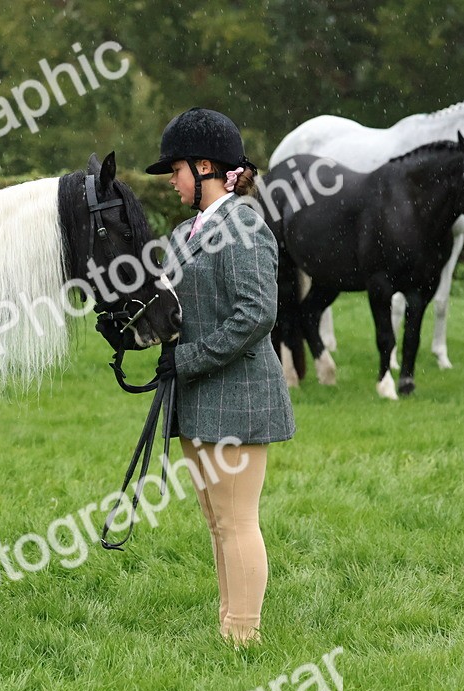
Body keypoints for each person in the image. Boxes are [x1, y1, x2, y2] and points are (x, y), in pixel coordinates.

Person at [144, 108, 296, 646]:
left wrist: (186, 360)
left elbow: (256, 314)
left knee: (235, 521)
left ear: (206, 166)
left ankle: (243, 636)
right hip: (200, 400)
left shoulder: (245, 225)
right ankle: (230, 629)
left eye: (177, 170)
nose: (173, 181)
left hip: (240, 398)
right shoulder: (187, 231)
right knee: (216, 522)